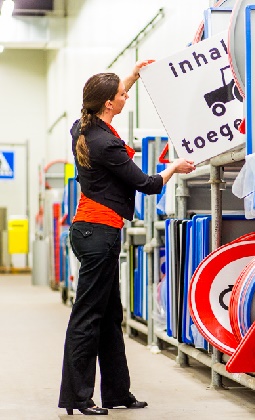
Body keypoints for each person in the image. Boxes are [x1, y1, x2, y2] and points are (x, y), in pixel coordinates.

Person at [58, 60, 196, 416]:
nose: (126, 96)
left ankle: (117, 392)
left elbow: (105, 97)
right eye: (122, 94)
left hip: (93, 231)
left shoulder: (83, 127)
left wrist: (131, 76)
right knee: (87, 318)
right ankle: (77, 398)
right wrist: (173, 168)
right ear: (109, 104)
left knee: (107, 315)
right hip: (98, 235)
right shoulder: (106, 144)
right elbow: (148, 185)